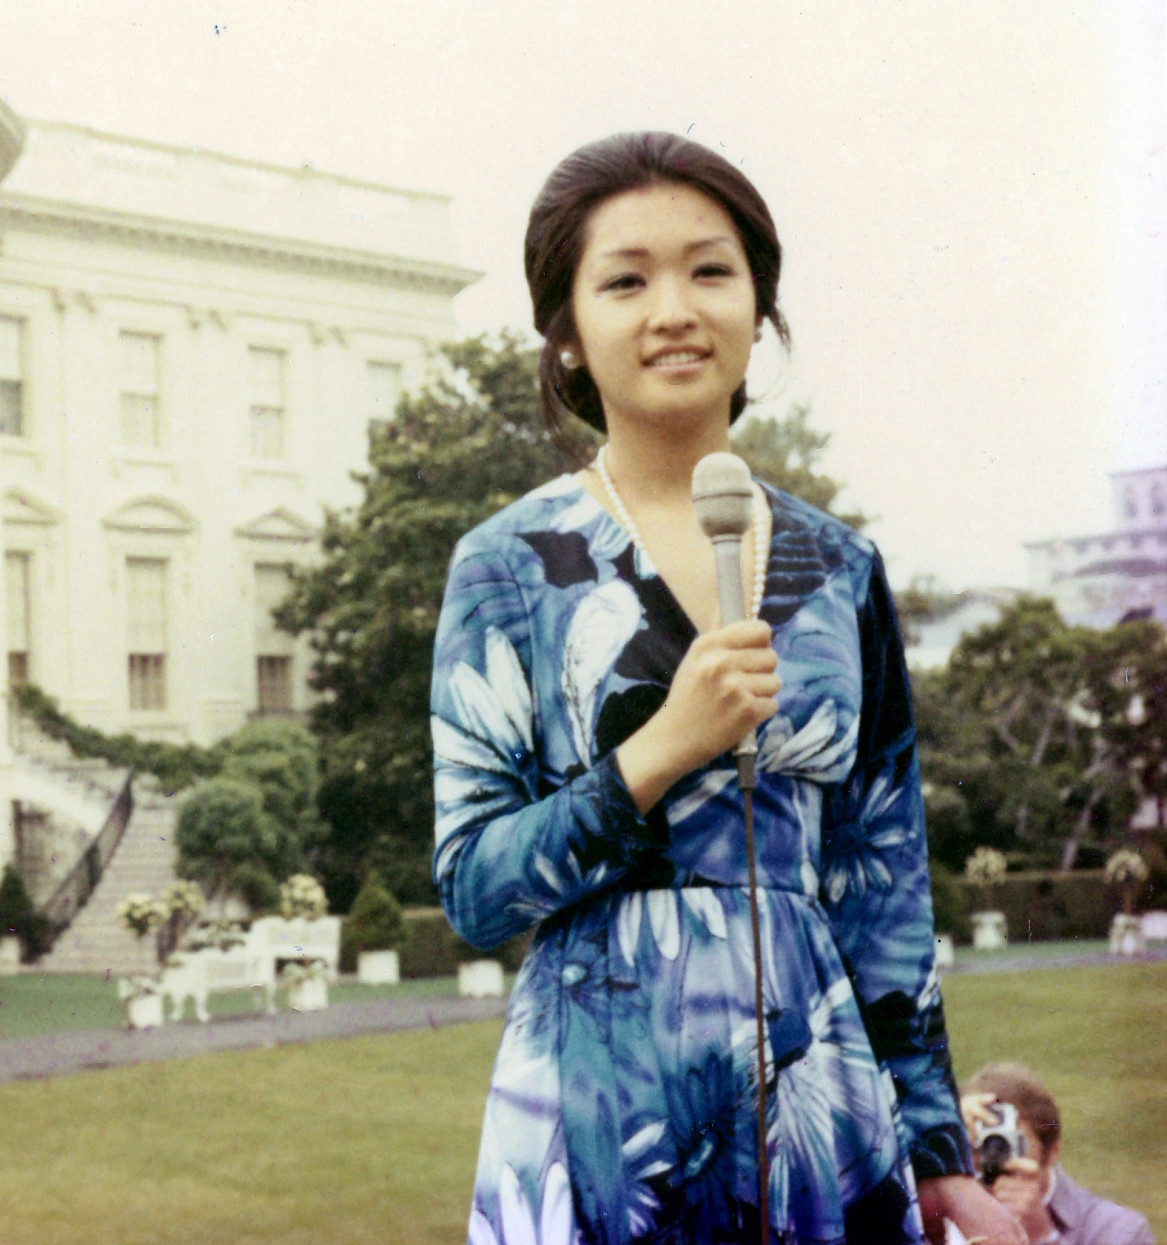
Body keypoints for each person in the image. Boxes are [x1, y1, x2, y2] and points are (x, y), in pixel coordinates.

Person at [431, 132, 1022, 1245]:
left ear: (760, 312)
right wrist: (659, 748)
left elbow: (883, 881)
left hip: (818, 1100)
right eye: (623, 279)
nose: (672, 309)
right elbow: (473, 889)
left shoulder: (836, 566)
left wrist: (936, 1156)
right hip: (596, 1110)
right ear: (564, 335)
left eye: (709, 271)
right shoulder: (506, 564)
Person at [960, 1063, 1154, 1245]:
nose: (990, 1156)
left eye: (1009, 1143)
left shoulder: (1119, 1231)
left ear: (1052, 1150)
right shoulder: (939, 1209)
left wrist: (1043, 1237)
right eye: (977, 1143)